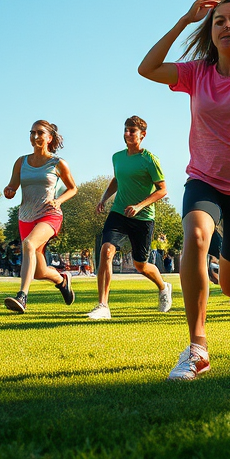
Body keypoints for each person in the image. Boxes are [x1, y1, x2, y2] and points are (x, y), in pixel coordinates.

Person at [138, 0, 230, 380]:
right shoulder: (196, 72)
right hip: (204, 179)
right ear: (211, 29)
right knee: (196, 239)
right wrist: (186, 19)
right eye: (220, 20)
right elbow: (147, 68)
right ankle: (198, 348)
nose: (227, 26)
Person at [89, 115, 173, 319]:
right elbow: (116, 179)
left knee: (140, 265)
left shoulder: (150, 160)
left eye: (132, 131)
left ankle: (163, 287)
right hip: (118, 212)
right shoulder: (117, 157)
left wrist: (139, 206)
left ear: (142, 135)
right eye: (125, 130)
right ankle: (103, 306)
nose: (127, 134)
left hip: (143, 217)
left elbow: (162, 190)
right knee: (106, 251)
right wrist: (104, 198)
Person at [2, 120, 78, 314]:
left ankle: (22, 297)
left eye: (40, 133)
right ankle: (62, 280)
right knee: (39, 272)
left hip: (49, 215)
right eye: (32, 133)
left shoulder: (58, 163)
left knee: (28, 244)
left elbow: (72, 189)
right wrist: (9, 190)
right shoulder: (21, 162)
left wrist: (59, 201)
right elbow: (13, 186)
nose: (35, 137)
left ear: (49, 138)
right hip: (26, 216)